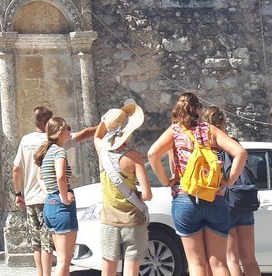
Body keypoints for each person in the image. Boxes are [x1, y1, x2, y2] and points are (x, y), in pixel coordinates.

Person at [148, 92, 248, 276]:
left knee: (196, 264)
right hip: (213, 196)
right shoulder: (210, 130)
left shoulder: (174, 131)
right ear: (198, 110)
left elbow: (152, 154)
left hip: (185, 198)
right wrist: (227, 182)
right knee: (219, 263)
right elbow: (240, 152)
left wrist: (166, 181)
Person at [13, 107, 96, 276]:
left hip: (34, 198)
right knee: (51, 248)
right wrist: (103, 126)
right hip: (53, 200)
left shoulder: (27, 141)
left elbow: (17, 169)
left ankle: (40, 273)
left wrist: (18, 193)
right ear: (48, 124)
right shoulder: (56, 146)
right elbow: (85, 134)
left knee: (37, 243)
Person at [94, 104, 152, 276]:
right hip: (133, 221)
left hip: (109, 221)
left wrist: (105, 120)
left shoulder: (101, 152)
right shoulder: (134, 157)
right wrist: (138, 196)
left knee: (108, 271)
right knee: (131, 271)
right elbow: (147, 195)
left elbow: (97, 135)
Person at [202, 106, 260, 276]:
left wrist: (226, 183)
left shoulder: (209, 148)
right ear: (224, 123)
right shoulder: (233, 142)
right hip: (244, 199)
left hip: (225, 203)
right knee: (249, 258)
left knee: (231, 259)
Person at [33, 117, 77, 276]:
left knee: (61, 259)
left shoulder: (46, 152)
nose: (70, 131)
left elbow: (39, 177)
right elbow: (60, 176)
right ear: (60, 132)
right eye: (68, 128)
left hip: (50, 204)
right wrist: (64, 198)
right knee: (64, 262)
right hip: (61, 206)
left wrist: (49, 192)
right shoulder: (59, 151)